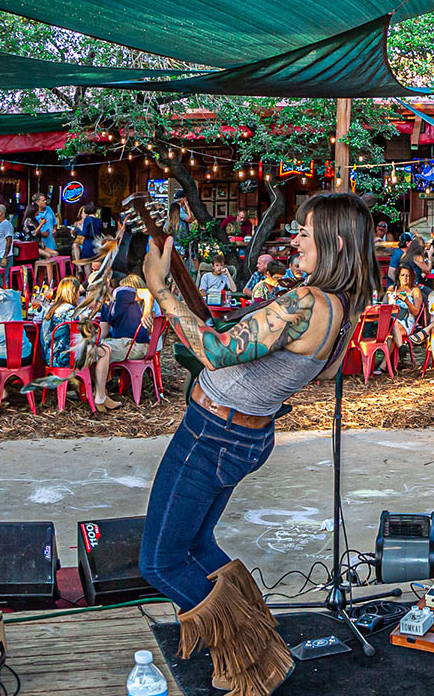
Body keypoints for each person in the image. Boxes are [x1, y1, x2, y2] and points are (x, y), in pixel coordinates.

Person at [137, 192, 375, 614]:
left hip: (211, 434)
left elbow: (215, 352)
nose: (294, 241)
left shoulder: (306, 303)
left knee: (161, 563)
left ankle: (250, 649)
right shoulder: (344, 307)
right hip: (245, 435)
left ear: (335, 243)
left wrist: (158, 287)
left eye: (304, 232)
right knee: (196, 544)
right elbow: (323, 371)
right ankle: (260, 634)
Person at [41, 275, 117, 411]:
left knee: (99, 351)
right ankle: (100, 395)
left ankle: (99, 393)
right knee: (105, 350)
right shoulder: (71, 311)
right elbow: (87, 335)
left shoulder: (49, 308)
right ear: (73, 293)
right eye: (78, 293)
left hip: (50, 355)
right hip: (65, 358)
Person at [388, 262, 425, 340]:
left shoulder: (415, 290)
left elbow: (416, 312)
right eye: (402, 275)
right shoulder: (392, 288)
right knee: (391, 329)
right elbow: (384, 304)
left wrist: (407, 301)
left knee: (392, 330)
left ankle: (395, 350)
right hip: (390, 319)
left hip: (406, 322)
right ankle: (401, 349)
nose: (405, 278)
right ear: (398, 276)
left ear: (411, 277)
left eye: (408, 276)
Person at [0, 202, 15, 271]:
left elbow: (9, 241)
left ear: (1, 213)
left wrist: (5, 257)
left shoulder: (6, 224)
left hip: (3, 256)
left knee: (3, 278)